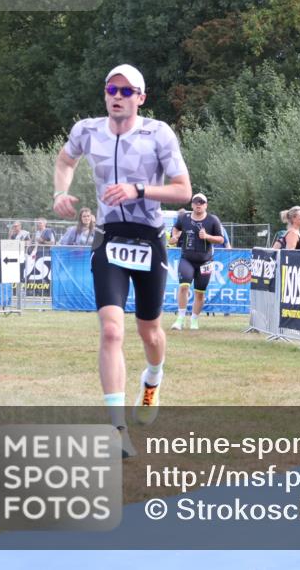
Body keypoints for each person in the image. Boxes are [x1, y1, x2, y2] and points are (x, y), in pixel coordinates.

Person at [53, 63, 191, 457]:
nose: (117, 95)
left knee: (149, 331)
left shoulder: (158, 134)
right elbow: (65, 162)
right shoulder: (86, 131)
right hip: (109, 239)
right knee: (112, 331)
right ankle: (116, 430)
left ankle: (153, 378)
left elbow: (184, 191)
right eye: (111, 89)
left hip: (149, 240)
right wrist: (59, 193)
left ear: (140, 98)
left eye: (126, 91)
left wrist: (138, 189)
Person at [169, 193, 224, 330]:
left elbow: (221, 239)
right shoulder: (184, 218)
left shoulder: (212, 220)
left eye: (202, 202)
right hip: (187, 259)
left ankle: (194, 320)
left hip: (205, 262)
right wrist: (175, 236)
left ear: (206, 205)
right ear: (192, 204)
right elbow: (175, 228)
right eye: (196, 202)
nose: (198, 204)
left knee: (200, 292)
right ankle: (180, 319)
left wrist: (207, 236)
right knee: (184, 286)